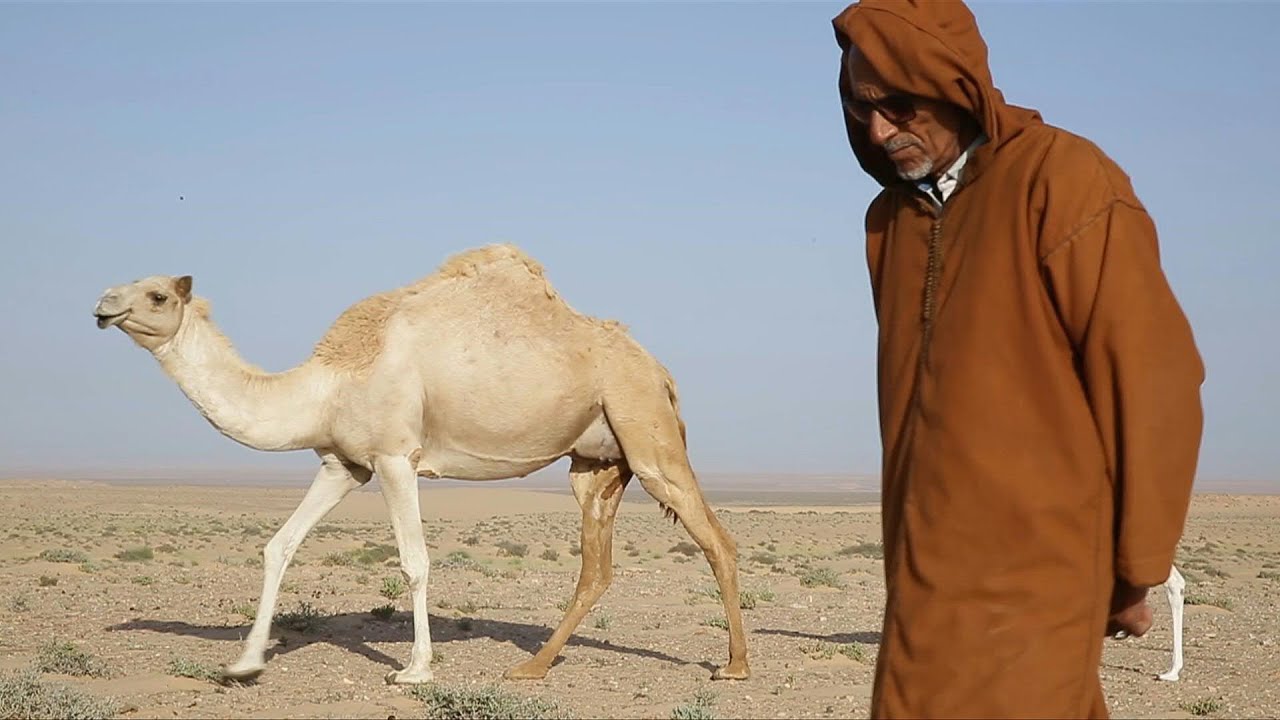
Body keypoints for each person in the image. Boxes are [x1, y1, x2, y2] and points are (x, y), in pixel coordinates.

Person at [830, 1, 1205, 718]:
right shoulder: (891, 223)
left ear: (952, 82)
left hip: (1040, 565)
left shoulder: (1063, 180)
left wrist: (1138, 562)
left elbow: (1153, 376)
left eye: (898, 105)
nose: (880, 130)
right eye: (861, 109)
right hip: (919, 572)